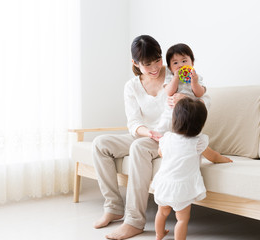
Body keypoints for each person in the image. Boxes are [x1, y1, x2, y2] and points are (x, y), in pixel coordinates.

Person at [92, 35, 227, 240]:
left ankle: (134, 221)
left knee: (139, 148)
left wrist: (187, 99)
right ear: (135, 63)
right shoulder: (132, 86)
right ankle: (113, 207)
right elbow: (133, 122)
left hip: (170, 137)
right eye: (147, 64)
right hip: (147, 135)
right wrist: (148, 133)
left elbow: (203, 101)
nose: (155, 67)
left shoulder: (175, 73)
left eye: (157, 60)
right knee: (100, 144)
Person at [151, 98, 233, 240]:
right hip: (182, 188)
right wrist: (224, 159)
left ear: (175, 119)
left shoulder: (167, 138)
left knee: (162, 212)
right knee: (181, 219)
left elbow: (160, 153)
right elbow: (213, 157)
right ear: (200, 124)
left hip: (163, 184)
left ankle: (159, 235)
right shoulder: (198, 142)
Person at [156, 43, 205, 134]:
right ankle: (160, 137)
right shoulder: (170, 78)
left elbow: (199, 94)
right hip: (173, 109)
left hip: (189, 111)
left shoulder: (196, 77)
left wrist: (194, 82)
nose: (180, 65)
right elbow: (169, 92)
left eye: (184, 61)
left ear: (192, 63)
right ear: (170, 68)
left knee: (191, 127)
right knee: (165, 123)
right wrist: (175, 78)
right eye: (175, 63)